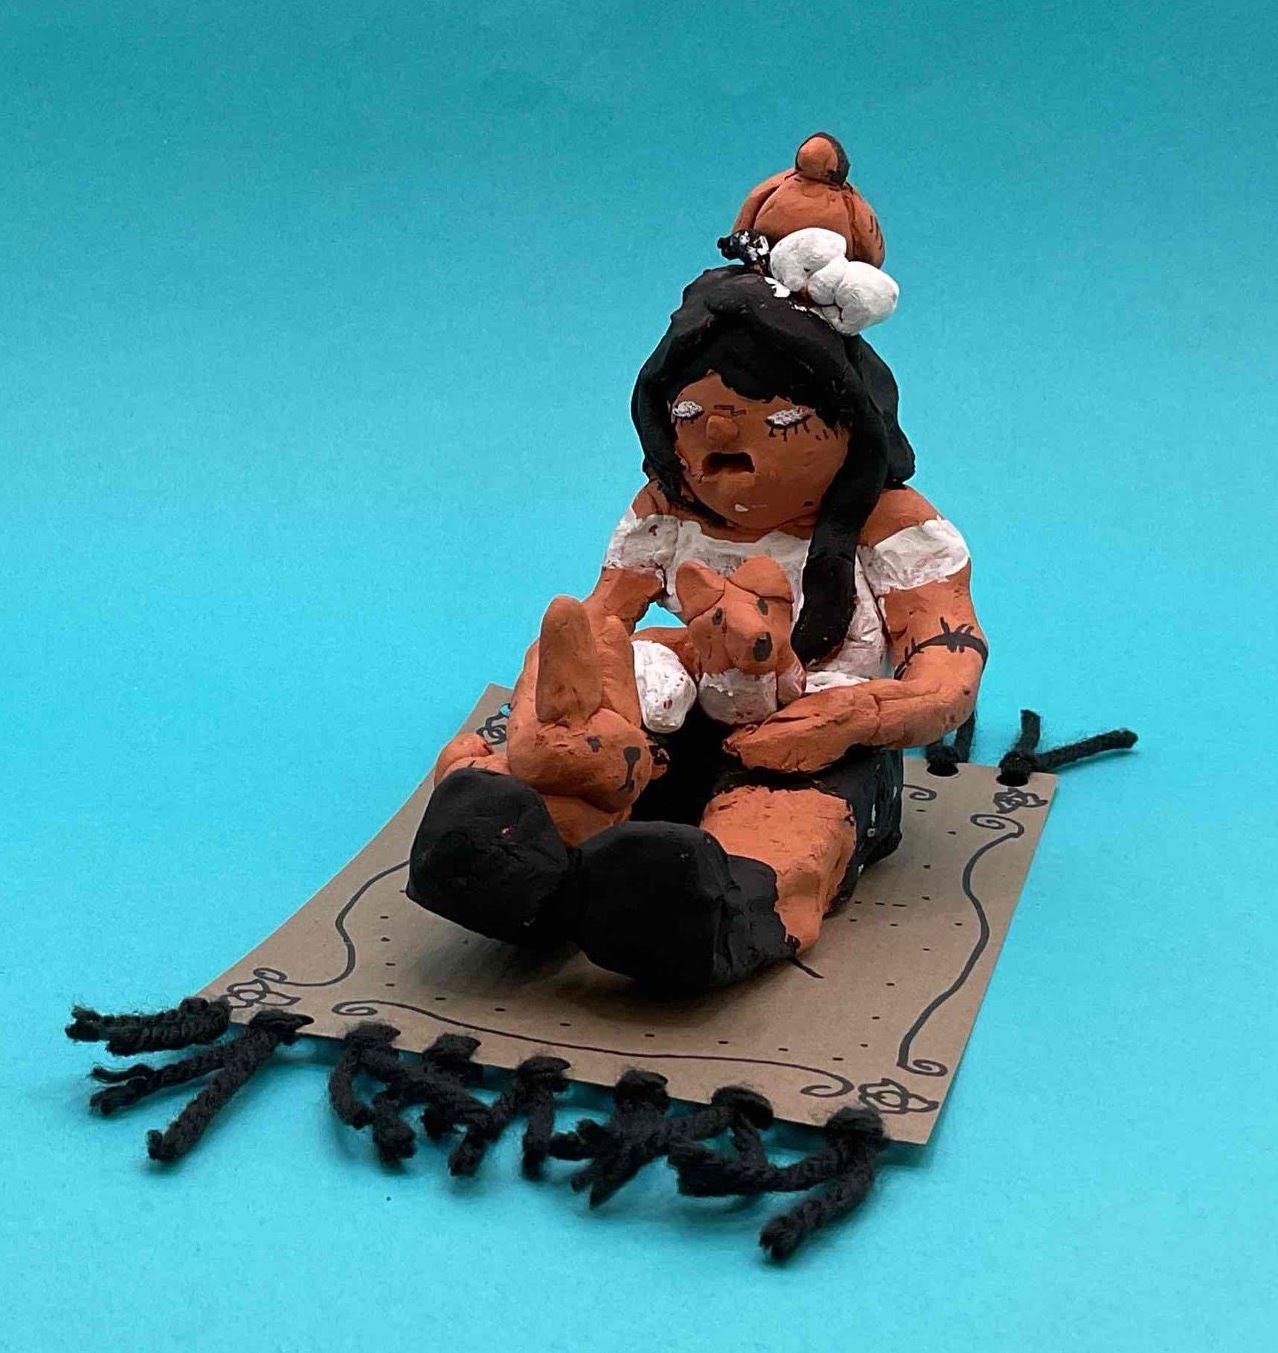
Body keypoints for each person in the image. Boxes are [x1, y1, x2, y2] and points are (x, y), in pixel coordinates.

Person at [407, 164, 986, 993]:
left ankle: (702, 906)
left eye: (773, 417)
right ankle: (515, 853)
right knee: (582, 760)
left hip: (809, 746)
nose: (720, 434)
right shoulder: (664, 513)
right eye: (689, 413)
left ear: (851, 424)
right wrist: (560, 712)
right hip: (678, 721)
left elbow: (948, 674)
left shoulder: (891, 528)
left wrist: (852, 715)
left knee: (781, 826)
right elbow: (600, 626)